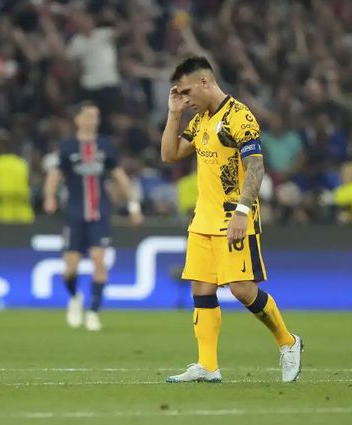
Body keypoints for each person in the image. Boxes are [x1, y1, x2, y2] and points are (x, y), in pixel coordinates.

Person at [160, 56, 302, 383]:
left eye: (186, 92)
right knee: (201, 288)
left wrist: (242, 211)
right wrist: (174, 113)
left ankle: (288, 341)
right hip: (203, 219)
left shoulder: (239, 116)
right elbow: (169, 155)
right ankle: (207, 365)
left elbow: (256, 166)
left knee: (241, 289)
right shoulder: (200, 120)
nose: (185, 99)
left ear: (205, 82)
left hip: (233, 216)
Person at [43, 101, 143, 331]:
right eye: (88, 115)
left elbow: (119, 176)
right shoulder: (68, 146)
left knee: (99, 259)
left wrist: (133, 206)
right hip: (74, 212)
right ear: (77, 119)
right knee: (70, 269)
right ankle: (75, 297)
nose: (92, 120)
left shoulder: (105, 145)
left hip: (100, 212)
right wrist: (49, 197)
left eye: (95, 116)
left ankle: (94, 312)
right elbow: (55, 174)